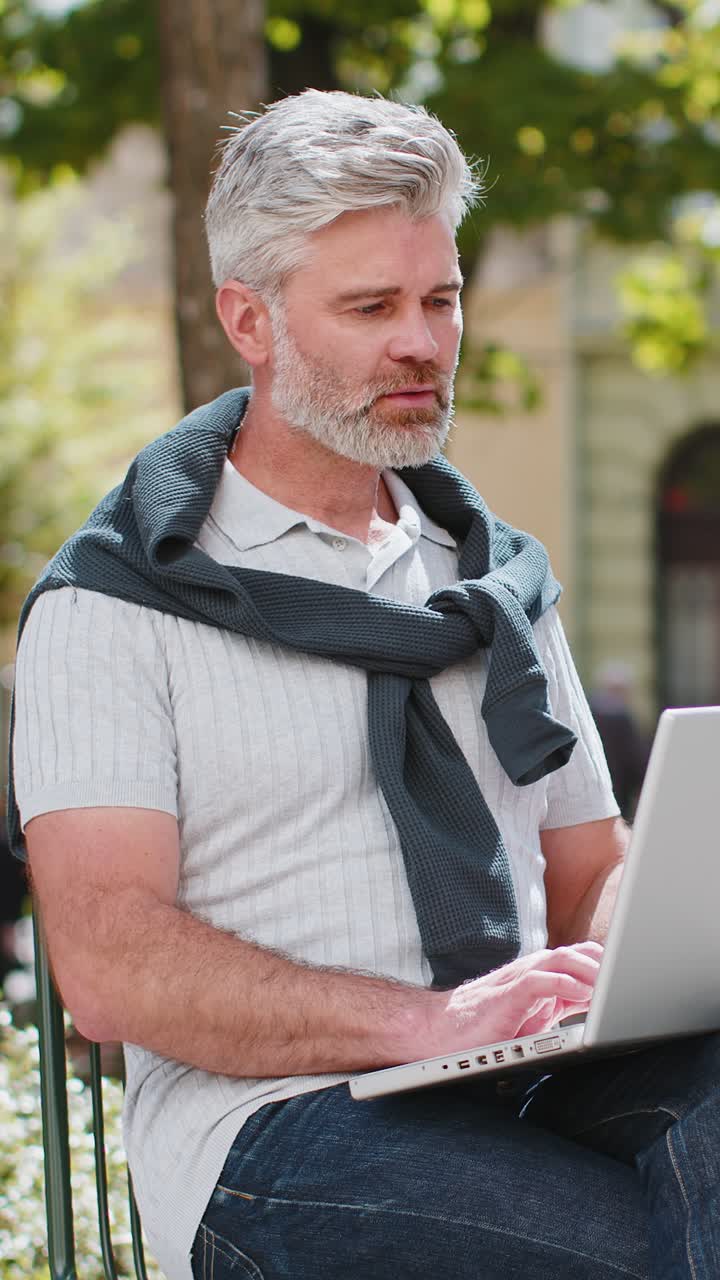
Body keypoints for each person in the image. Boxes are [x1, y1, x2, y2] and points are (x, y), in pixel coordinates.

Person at [9, 91, 720, 1280]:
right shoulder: (113, 604)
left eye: (439, 299)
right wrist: (423, 1022)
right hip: (276, 1123)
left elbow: (588, 874)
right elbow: (109, 958)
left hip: (521, 1073)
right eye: (371, 306)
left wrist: (663, 933)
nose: (423, 342)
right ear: (251, 318)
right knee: (625, 1249)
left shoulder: (496, 581)